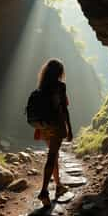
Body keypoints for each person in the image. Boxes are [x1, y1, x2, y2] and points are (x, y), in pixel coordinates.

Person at [34, 58, 73, 207]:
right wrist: (69, 128)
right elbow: (64, 109)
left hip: (43, 127)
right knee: (52, 156)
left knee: (54, 154)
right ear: (59, 72)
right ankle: (44, 192)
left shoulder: (42, 86)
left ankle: (58, 186)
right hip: (56, 126)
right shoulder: (60, 86)